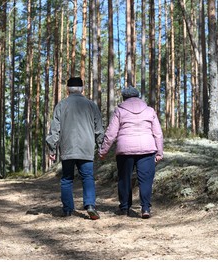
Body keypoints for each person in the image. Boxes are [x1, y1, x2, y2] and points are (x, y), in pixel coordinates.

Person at [98, 86, 163, 219]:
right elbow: (158, 133)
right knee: (145, 180)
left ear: (124, 98)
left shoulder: (120, 111)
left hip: (125, 150)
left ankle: (124, 208)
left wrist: (103, 151)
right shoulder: (149, 110)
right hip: (147, 149)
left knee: (124, 179)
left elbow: (111, 134)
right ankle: (145, 208)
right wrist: (159, 152)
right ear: (138, 96)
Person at [46, 77, 104, 220]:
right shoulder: (91, 105)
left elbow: (55, 129)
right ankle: (90, 205)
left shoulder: (61, 105)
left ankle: (67, 209)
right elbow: (99, 128)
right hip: (86, 148)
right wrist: (101, 145)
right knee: (88, 177)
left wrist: (52, 148)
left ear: (68, 89)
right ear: (82, 89)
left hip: (68, 148)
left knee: (67, 179)